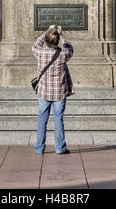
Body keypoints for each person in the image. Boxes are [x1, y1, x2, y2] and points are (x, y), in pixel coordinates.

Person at [32, 25, 74, 155]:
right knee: (58, 120)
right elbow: (70, 48)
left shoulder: (40, 53)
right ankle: (60, 148)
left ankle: (39, 148)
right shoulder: (63, 55)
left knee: (42, 120)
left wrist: (47, 31)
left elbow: (35, 45)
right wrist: (61, 35)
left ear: (46, 40)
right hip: (59, 92)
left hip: (44, 92)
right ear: (57, 41)